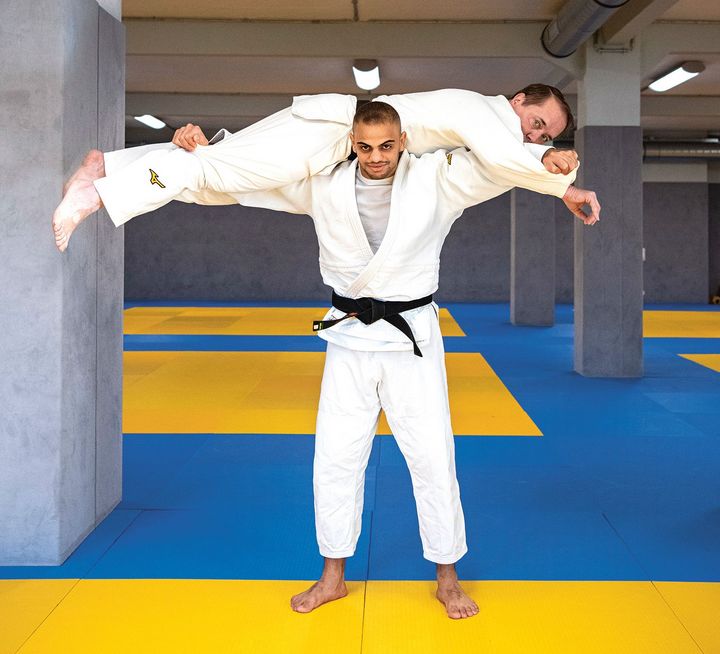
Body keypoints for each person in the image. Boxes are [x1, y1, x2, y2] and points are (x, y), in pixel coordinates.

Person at [212, 101, 599, 619]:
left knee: (432, 457)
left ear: (404, 140)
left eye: (387, 146)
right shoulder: (321, 181)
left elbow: (498, 165)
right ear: (352, 142)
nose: (377, 157)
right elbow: (247, 183)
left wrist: (554, 167)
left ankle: (447, 578)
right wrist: (207, 154)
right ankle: (332, 577)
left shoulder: (437, 178)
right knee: (334, 458)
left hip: (412, 337)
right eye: (366, 147)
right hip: (348, 338)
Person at [51, 85, 594, 252]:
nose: (535, 134)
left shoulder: (493, 125)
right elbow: (503, 155)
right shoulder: (485, 112)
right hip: (332, 130)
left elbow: (508, 156)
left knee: (217, 179)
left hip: (327, 132)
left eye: (545, 134)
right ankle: (97, 195)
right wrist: (562, 185)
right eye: (537, 120)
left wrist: (547, 168)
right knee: (212, 175)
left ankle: (105, 168)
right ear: (520, 100)